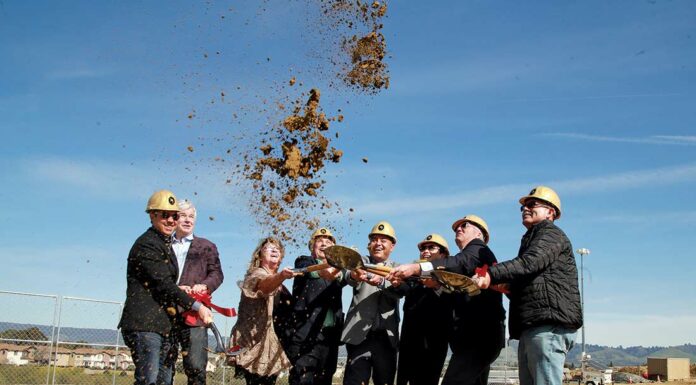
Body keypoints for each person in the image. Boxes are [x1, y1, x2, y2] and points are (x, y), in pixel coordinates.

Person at [474, 186, 582, 385]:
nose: (525, 208)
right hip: (535, 326)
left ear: (551, 212)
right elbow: (532, 281)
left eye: (532, 204)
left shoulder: (550, 234)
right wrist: (506, 286)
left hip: (547, 326)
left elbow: (528, 263)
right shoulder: (533, 238)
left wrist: (491, 274)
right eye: (523, 206)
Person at [388, 215, 505, 385]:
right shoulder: (476, 257)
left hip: (478, 337)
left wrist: (417, 267)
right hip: (478, 337)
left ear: (479, 233)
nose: (458, 229)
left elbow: (457, 263)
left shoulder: (477, 250)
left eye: (464, 225)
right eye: (457, 227)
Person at [118, 190, 213, 385]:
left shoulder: (164, 244)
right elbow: (163, 284)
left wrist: (180, 290)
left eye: (174, 216)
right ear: (152, 215)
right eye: (165, 215)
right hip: (144, 326)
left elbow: (164, 284)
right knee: (149, 380)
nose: (171, 220)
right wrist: (198, 306)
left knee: (163, 381)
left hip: (162, 327)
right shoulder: (148, 245)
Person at [341, 221, 405, 385]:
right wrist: (355, 275)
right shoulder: (360, 262)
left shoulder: (398, 269)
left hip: (386, 339)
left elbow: (401, 290)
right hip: (359, 337)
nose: (378, 244)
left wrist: (381, 281)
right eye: (375, 239)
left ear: (392, 246)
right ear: (369, 244)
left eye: (384, 240)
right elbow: (349, 275)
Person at [172, 199, 224, 385]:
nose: (188, 220)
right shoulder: (163, 244)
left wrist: (206, 285)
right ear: (174, 218)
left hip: (194, 312)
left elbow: (217, 273)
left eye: (191, 217)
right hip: (165, 310)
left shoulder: (206, 246)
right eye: (183, 216)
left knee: (195, 364)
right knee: (163, 363)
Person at [230, 237, 295, 385]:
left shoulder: (281, 285)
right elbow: (265, 286)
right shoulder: (256, 275)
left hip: (272, 342)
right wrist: (282, 276)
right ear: (259, 255)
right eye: (268, 248)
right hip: (253, 342)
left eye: (277, 248)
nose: (274, 250)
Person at [285, 228, 346, 385]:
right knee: (303, 378)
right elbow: (317, 272)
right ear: (312, 246)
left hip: (329, 338)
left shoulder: (339, 272)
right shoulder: (304, 262)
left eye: (329, 241)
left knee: (325, 379)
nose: (324, 243)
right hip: (306, 337)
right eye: (320, 241)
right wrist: (337, 267)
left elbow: (351, 275)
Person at [396, 234, 452, 385]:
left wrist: (437, 285)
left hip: (433, 344)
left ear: (443, 254)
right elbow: (404, 288)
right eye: (423, 248)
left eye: (431, 247)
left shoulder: (450, 276)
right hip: (409, 341)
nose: (425, 251)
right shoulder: (414, 275)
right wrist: (396, 283)